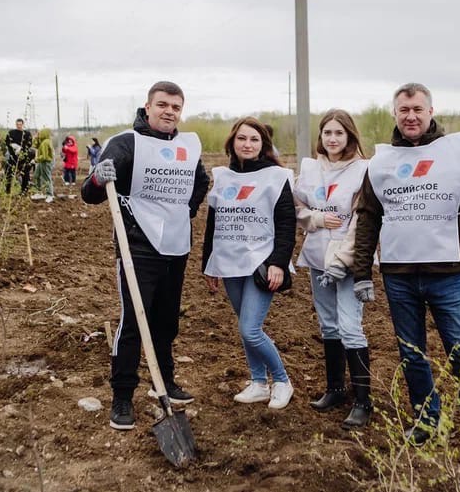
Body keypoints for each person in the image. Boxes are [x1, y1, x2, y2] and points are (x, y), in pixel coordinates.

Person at [351, 83, 460, 463]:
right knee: (413, 355)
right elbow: (368, 218)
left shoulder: (456, 151)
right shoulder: (382, 162)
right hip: (399, 274)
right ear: (395, 113)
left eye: (417, 109)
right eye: (404, 109)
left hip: (446, 273)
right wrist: (362, 272)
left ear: (430, 111)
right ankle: (426, 421)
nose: (411, 116)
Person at [80, 81, 210, 430]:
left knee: (166, 321)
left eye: (176, 107)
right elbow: (89, 193)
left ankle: (164, 382)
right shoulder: (126, 144)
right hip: (137, 245)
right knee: (134, 321)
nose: (170, 112)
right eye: (163, 105)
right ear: (148, 107)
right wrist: (97, 179)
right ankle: (122, 397)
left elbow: (201, 181)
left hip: (177, 246)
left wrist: (188, 209)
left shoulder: (187, 146)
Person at [202, 117, 296, 410]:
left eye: (254, 139)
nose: (247, 144)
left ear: (263, 145)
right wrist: (208, 264)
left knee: (250, 329)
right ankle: (258, 383)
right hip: (230, 262)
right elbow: (213, 223)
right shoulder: (224, 177)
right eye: (242, 138)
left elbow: (286, 222)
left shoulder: (275, 176)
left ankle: (281, 381)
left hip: (261, 263)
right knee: (244, 325)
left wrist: (279, 262)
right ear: (232, 142)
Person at [294, 109, 372, 429]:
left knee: (350, 326)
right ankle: (335, 389)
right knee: (328, 325)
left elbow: (362, 220)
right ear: (321, 136)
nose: (333, 139)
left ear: (350, 136)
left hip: (347, 261)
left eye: (339, 133)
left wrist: (344, 260)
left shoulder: (363, 170)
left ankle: (364, 401)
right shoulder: (310, 169)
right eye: (328, 133)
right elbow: (296, 205)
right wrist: (314, 218)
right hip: (316, 256)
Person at [5, 118, 33, 194]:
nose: (19, 126)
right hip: (13, 156)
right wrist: (13, 153)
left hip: (23, 157)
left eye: (20, 124)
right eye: (17, 124)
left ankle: (24, 190)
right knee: (8, 172)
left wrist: (21, 149)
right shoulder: (11, 133)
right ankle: (7, 190)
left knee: (25, 173)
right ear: (15, 124)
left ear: (23, 125)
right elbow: (7, 143)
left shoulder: (27, 134)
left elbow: (29, 144)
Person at [31, 129, 55, 202]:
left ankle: (50, 195)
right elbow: (35, 146)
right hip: (42, 162)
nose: (39, 134)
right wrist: (36, 138)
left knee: (46, 178)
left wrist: (35, 160)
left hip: (46, 162)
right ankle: (39, 192)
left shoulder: (45, 142)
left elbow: (44, 156)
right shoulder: (43, 141)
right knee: (36, 176)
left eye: (40, 133)